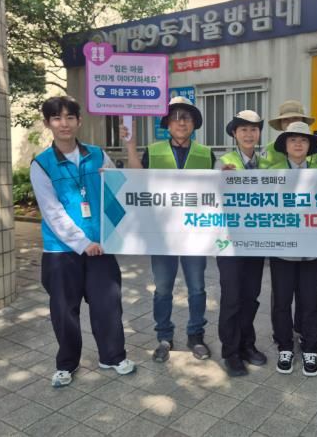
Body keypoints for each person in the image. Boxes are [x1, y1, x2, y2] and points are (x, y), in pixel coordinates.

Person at [30, 96, 135, 387]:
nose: (64, 123)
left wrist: (113, 181)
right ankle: (66, 364)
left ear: (79, 121)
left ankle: (112, 356)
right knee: (64, 310)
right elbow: (52, 212)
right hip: (61, 251)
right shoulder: (41, 165)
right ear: (48, 123)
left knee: (108, 304)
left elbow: (119, 191)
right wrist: (82, 242)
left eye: (69, 117)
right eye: (56, 118)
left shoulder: (98, 155)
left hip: (101, 247)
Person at [121, 96, 215, 363]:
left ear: (194, 123)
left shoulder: (206, 153)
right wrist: (130, 146)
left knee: (197, 288)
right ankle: (164, 337)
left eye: (186, 117)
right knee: (163, 289)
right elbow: (136, 179)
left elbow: (219, 186)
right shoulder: (153, 151)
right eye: (175, 117)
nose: (181, 122)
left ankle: (196, 336)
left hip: (195, 235)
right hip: (162, 235)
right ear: (167, 124)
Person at [269, 122, 317, 376]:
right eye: (293, 139)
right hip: (283, 249)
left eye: (303, 140)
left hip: (313, 250)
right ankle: (285, 346)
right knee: (281, 301)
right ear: (285, 145)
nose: (298, 144)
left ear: (310, 145)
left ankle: (310, 347)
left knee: (310, 301)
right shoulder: (272, 173)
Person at [217, 110, 270, 376]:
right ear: (234, 133)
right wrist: (220, 179)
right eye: (243, 129)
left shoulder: (266, 164)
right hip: (229, 242)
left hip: (256, 241)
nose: (249, 134)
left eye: (254, 129)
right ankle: (231, 352)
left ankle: (247, 344)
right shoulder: (223, 162)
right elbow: (209, 196)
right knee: (232, 297)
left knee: (251, 296)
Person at [265, 100, 317, 166]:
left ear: (303, 121)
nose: (291, 122)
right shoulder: (270, 149)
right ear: (280, 123)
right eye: (285, 119)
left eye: (295, 118)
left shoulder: (316, 148)